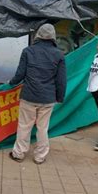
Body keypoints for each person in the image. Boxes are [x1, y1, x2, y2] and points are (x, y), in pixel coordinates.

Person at [8, 23, 67, 164]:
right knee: (43, 128)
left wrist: (10, 83)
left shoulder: (28, 51)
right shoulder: (59, 54)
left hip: (29, 96)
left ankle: (19, 154)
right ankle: (40, 157)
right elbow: (61, 80)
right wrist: (59, 97)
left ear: (38, 34)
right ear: (53, 36)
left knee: (24, 126)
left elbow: (20, 74)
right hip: (48, 99)